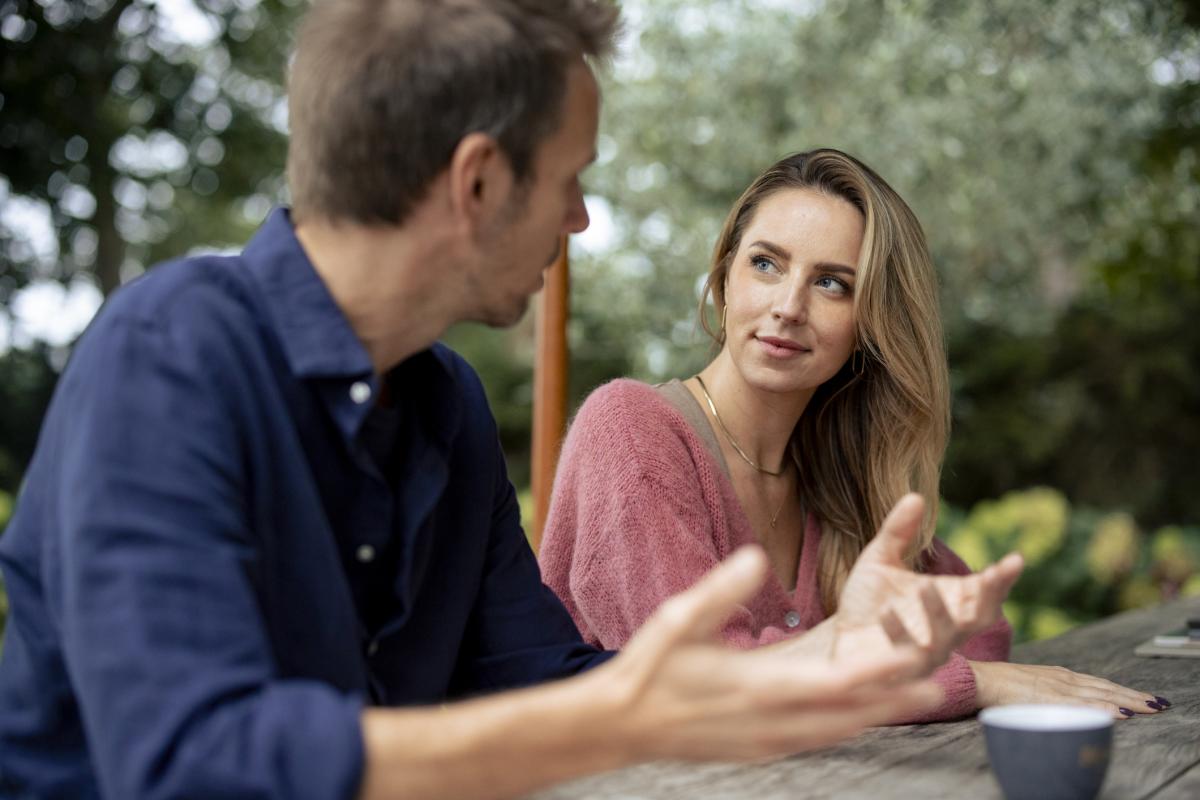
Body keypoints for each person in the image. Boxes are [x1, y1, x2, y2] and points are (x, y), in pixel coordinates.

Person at [0, 4, 1026, 799]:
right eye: (569, 180)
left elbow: (543, 676)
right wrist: (615, 714)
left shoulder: (442, 401)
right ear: (480, 182)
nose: (579, 217)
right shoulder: (171, 352)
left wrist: (830, 656)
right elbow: (189, 759)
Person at [539, 148, 1167, 723]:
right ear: (725, 277)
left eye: (832, 283)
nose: (789, 306)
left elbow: (976, 632)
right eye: (766, 264)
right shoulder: (631, 431)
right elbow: (703, 681)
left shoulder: (836, 474)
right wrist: (969, 684)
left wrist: (944, 667)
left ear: (870, 322)